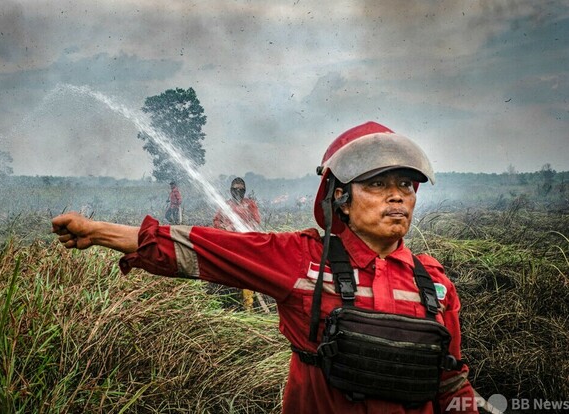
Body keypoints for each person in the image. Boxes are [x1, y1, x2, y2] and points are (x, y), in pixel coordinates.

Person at [52, 121, 478, 413]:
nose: (397, 196)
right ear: (340, 199)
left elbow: (452, 384)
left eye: (406, 184)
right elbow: (206, 246)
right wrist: (99, 232)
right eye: (377, 184)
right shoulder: (301, 258)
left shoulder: (435, 285)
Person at [212, 177, 262, 310]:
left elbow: (256, 222)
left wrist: (243, 229)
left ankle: (248, 307)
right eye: (235, 189)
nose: (238, 192)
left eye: (241, 189)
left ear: (244, 191)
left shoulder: (250, 204)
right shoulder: (226, 205)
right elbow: (216, 221)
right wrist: (224, 228)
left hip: (246, 245)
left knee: (246, 275)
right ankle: (228, 304)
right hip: (229, 245)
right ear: (231, 190)